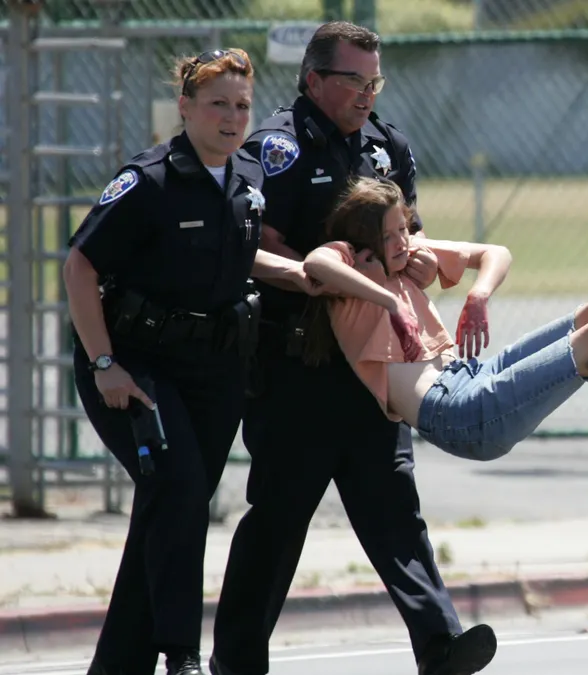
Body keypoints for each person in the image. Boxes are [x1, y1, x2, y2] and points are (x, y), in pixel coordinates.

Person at [208, 21, 497, 675]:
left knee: (394, 504)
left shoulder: (386, 147)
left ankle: (440, 644)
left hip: (374, 363)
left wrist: (415, 264)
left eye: (375, 81)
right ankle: (237, 659)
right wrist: (342, 276)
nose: (368, 94)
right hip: (297, 368)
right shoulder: (278, 147)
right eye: (354, 81)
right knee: (280, 517)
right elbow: (260, 241)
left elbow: (407, 236)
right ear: (314, 80)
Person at [65, 49, 310, 675]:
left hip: (214, 370)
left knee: (168, 506)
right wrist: (103, 366)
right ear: (185, 107)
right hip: (134, 366)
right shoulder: (148, 181)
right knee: (178, 492)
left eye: (242, 106)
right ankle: (180, 654)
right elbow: (80, 266)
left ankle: (117, 664)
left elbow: (240, 255)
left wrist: (309, 276)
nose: (232, 118)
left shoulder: (249, 175)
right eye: (218, 105)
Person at [298, 178, 588, 461]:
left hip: (471, 376)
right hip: (458, 413)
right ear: (364, 237)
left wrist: (478, 293)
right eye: (389, 233)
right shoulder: (351, 264)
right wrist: (387, 298)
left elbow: (497, 253)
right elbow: (316, 266)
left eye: (404, 229)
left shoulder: (408, 253)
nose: (402, 241)